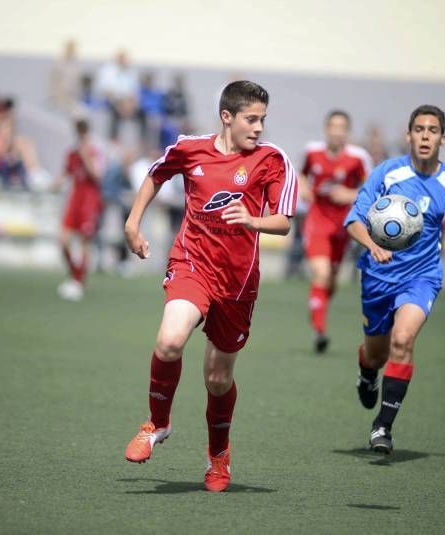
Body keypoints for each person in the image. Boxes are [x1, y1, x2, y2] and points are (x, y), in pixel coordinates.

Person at [123, 81, 296, 491]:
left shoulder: (272, 160)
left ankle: (218, 457)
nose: (258, 127)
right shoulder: (189, 148)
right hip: (192, 264)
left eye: (262, 120)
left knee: (217, 380)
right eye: (251, 119)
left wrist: (254, 220)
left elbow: (284, 221)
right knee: (169, 341)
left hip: (237, 285)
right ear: (227, 117)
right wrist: (132, 223)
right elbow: (155, 175)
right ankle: (157, 424)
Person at [344, 105, 445, 453]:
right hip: (378, 277)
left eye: (432, 130)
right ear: (408, 135)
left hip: (421, 277)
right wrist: (372, 244)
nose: (425, 136)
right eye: (419, 129)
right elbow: (354, 218)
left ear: (443, 138)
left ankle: (382, 427)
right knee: (376, 353)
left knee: (403, 339)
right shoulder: (386, 173)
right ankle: (367, 372)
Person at [299, 110, 371, 352]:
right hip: (317, 221)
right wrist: (303, 188)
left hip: (344, 227)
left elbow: (373, 188)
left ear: (347, 132)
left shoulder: (357, 158)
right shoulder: (312, 152)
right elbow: (301, 173)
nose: (337, 131)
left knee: (330, 282)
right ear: (326, 129)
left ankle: (317, 305)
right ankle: (320, 331)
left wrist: (350, 195)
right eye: (333, 126)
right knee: (321, 273)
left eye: (342, 127)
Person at [55, 119, 105, 301]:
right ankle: (75, 275)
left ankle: (78, 282)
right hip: (75, 198)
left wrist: (86, 156)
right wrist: (56, 183)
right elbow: (64, 174)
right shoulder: (72, 152)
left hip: (89, 200)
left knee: (84, 242)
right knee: (63, 240)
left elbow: (98, 175)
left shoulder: (93, 151)